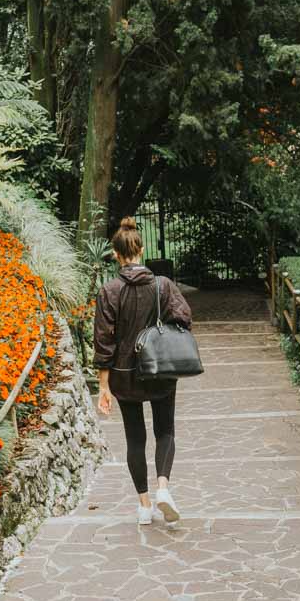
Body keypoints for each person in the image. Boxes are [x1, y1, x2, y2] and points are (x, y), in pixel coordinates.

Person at [93, 217, 194, 525]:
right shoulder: (163, 285)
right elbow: (185, 319)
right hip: (161, 370)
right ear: (141, 248)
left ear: (115, 253)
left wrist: (103, 387)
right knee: (165, 431)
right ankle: (164, 486)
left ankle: (144, 506)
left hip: (125, 376)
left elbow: (103, 341)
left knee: (135, 439)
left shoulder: (108, 292)